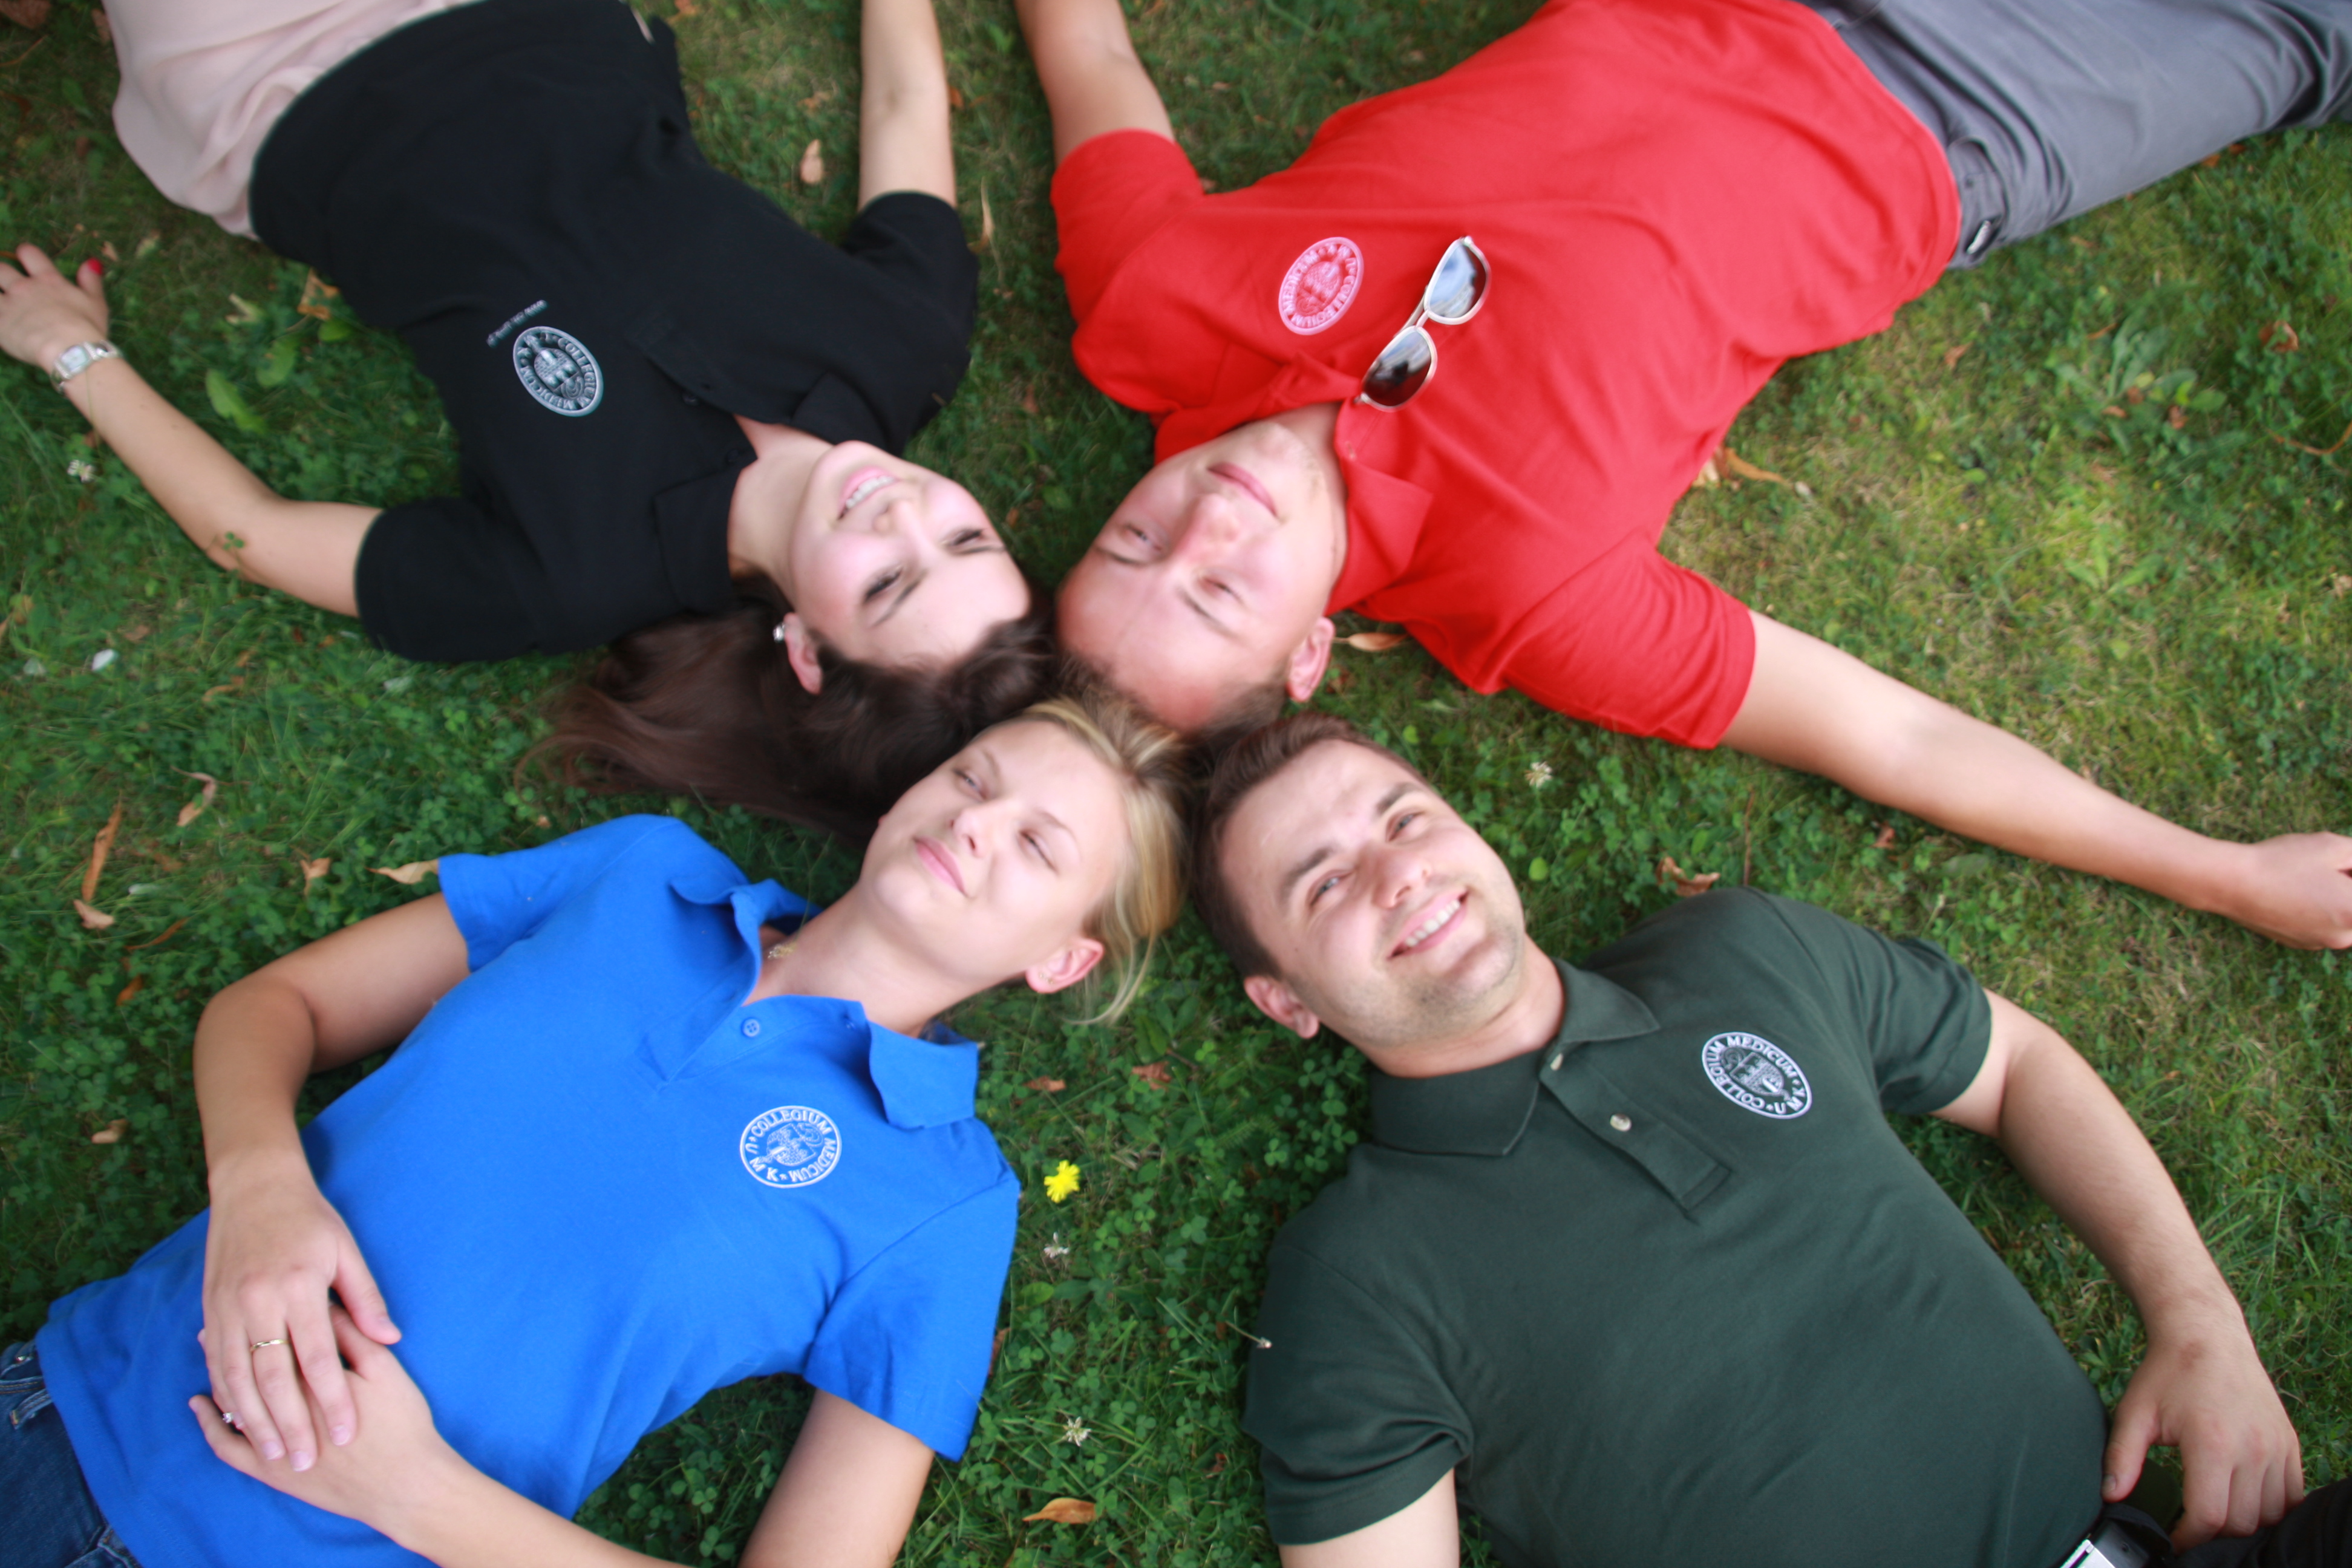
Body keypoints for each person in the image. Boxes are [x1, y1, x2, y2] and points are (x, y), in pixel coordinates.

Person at [1015, 0, 2352, 948]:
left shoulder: (1150, 304)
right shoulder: (1529, 594)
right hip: (1948, 113)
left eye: (1136, 542)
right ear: (1309, 651)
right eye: (1218, 596)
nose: (1204, 524)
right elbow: (1894, 738)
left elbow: (1091, 52)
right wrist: (2223, 874)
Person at [6, 690, 1189, 1568]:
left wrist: (415, 1493)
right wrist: (262, 1187)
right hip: (57, 1415)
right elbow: (277, 1008)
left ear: (1062, 960)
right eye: (974, 779)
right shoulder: (643, 873)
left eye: (1038, 844)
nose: (977, 824)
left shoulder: (945, 1200)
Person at [1188, 713, 2352, 1567]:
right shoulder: (1354, 1278)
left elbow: (2018, 1065)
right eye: (1324, 884)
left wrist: (2201, 1324)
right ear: (1286, 1000)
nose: (1399, 874)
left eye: (1406, 820)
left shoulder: (1740, 954)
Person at [0, 0, 1054, 835]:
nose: (903, 513)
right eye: (965, 536)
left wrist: (70, 351)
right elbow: (904, 108)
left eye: (888, 583)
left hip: (279, 83)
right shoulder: (907, 347)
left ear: (810, 653)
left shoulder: (570, 571)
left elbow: (253, 533)